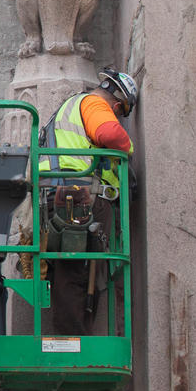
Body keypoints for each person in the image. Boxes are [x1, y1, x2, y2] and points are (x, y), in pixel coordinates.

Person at [39, 67, 138, 335]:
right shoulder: (94, 104)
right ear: (117, 104)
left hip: (62, 196)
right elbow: (110, 134)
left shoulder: (70, 108)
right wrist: (127, 149)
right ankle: (73, 340)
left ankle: (72, 335)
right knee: (78, 271)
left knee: (72, 270)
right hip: (78, 196)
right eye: (119, 114)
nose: (116, 117)